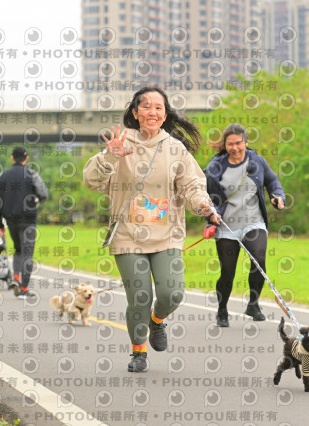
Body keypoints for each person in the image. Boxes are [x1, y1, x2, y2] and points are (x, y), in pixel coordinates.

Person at [83, 87, 219, 373]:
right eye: (146, 107)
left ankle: (157, 321)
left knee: (172, 293)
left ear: (165, 114)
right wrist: (110, 157)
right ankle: (138, 352)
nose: (152, 112)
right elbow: (92, 181)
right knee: (140, 296)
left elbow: (192, 186)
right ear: (135, 113)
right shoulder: (121, 143)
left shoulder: (175, 148)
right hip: (127, 234)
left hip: (166, 234)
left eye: (158, 108)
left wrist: (203, 205)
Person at [204, 123, 285, 327]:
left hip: (253, 221)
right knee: (227, 272)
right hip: (227, 225)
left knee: (259, 259)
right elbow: (206, 195)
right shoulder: (215, 167)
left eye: (238, 143)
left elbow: (272, 181)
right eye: (230, 144)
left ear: (246, 142)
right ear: (225, 145)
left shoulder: (257, 161)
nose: (235, 148)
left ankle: (253, 304)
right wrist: (212, 213)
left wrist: (277, 196)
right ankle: (222, 310)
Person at [0, 146, 49, 299]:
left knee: (18, 249)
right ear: (26, 158)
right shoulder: (32, 174)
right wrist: (37, 200)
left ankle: (16, 277)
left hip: (11, 219)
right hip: (28, 219)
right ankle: (23, 288)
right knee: (27, 252)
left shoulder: (3, 176)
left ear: (12, 158)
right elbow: (43, 193)